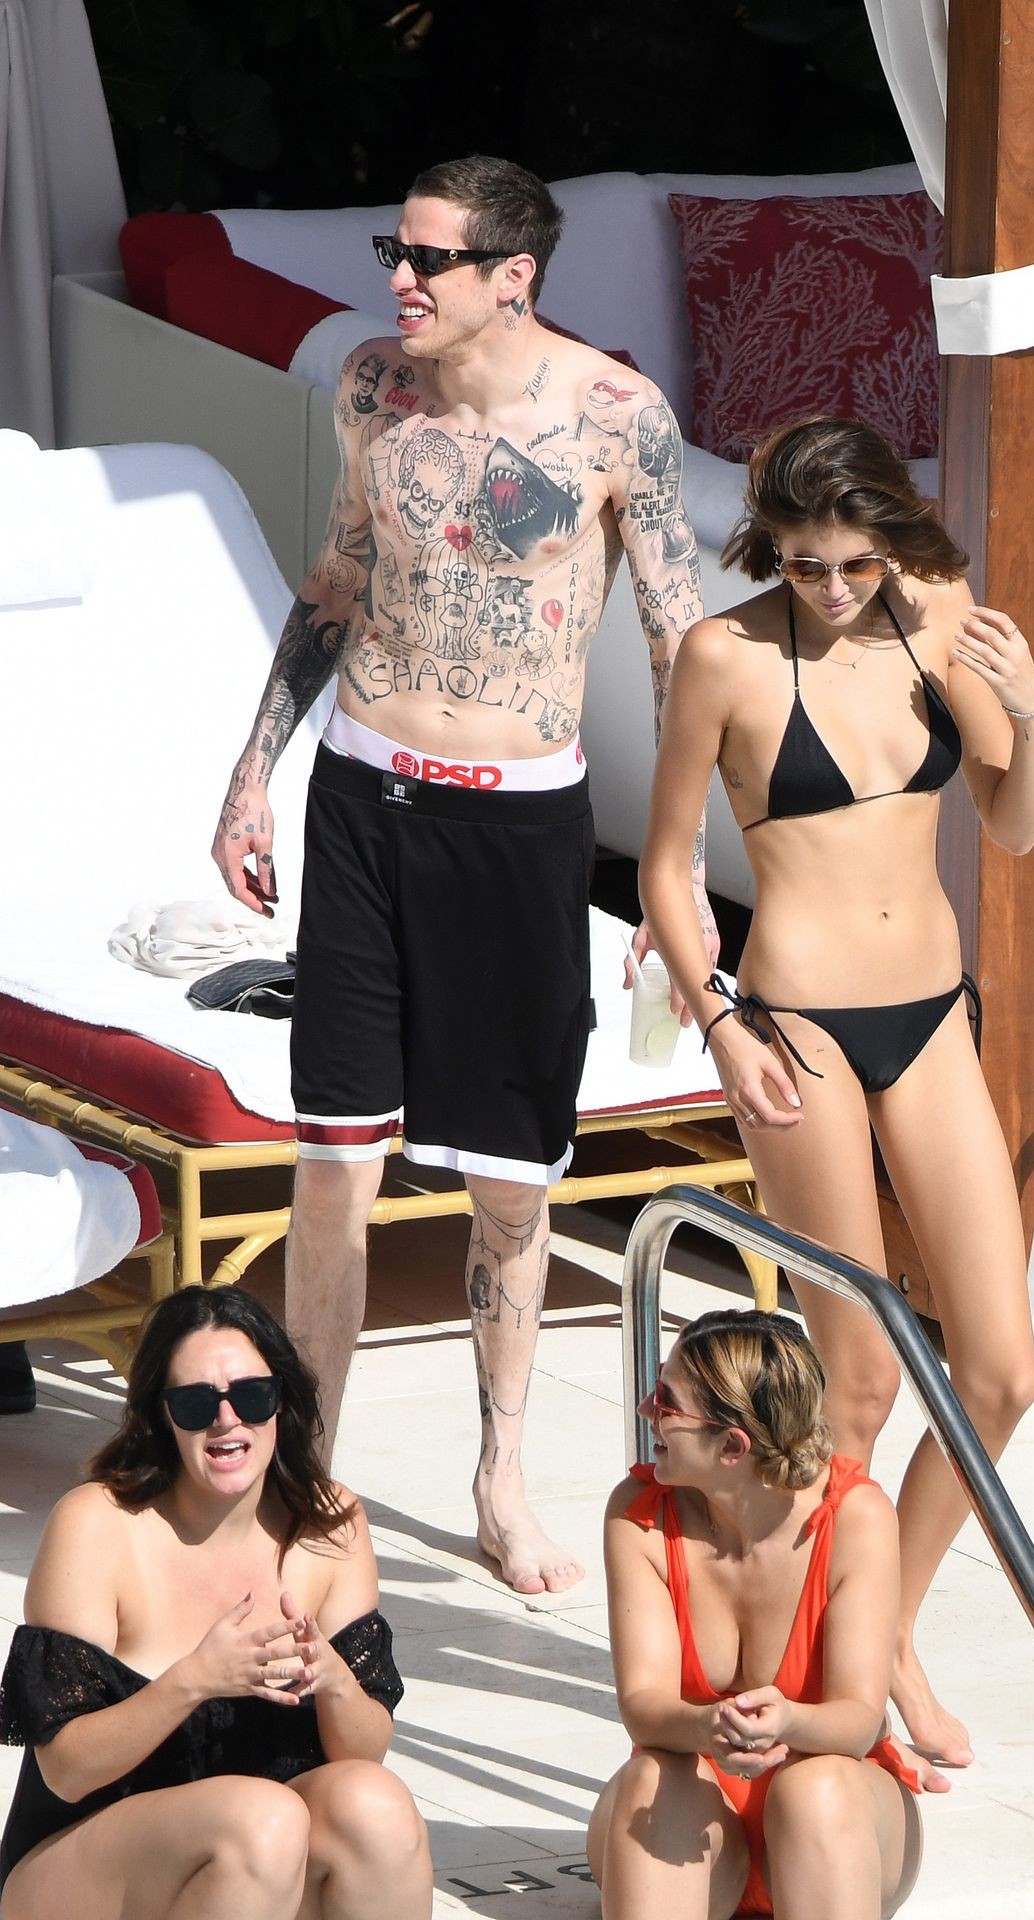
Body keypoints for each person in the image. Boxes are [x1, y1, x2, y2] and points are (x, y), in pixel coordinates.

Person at [210, 155, 714, 1597]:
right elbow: (337, 580)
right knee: (332, 1166)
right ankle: (307, 1480)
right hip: (363, 802)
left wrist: (674, 869)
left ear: (514, 275)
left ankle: (500, 1475)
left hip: (517, 831)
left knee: (510, 1186)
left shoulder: (618, 415)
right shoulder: (375, 387)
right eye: (397, 249)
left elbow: (680, 643)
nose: (399, 281)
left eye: (428, 259)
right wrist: (252, 773)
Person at [637, 416, 1034, 1770]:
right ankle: (845, 1672)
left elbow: (1014, 822)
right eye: (804, 564)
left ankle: (888, 1628)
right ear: (771, 546)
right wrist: (720, 1026)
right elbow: (664, 868)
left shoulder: (936, 612)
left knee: (1000, 1372)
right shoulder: (725, 654)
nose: (829, 589)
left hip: (931, 1014)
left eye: (854, 564)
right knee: (862, 1379)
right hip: (798, 1026)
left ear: (892, 540)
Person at [0, 1287, 431, 1920]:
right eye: (196, 1403)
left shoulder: (330, 1525)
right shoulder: (98, 1526)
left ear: (281, 1401)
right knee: (263, 1818)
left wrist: (336, 1681)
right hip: (81, 1870)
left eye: (252, 1396)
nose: (227, 1420)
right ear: (161, 1416)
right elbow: (66, 1770)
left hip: (258, 1864)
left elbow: (364, 1755)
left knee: (378, 1807)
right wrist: (193, 1681)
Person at [589, 1308, 923, 1920]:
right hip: (699, 1828)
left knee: (814, 1788)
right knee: (652, 1783)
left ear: (732, 1446)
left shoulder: (855, 1519)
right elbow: (642, 1707)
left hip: (834, 1818)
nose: (646, 1410)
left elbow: (856, 1721)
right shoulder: (638, 1516)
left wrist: (789, 1720)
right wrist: (709, 1727)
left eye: (667, 1403)